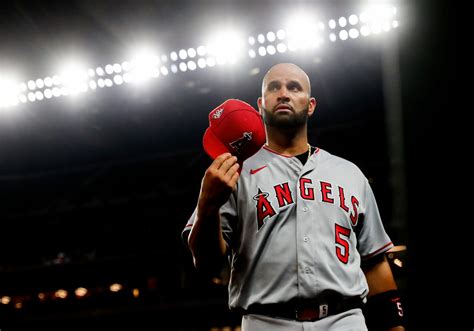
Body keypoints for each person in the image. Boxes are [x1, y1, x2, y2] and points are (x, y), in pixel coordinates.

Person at [183, 63, 405, 331]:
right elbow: (206, 264)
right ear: (261, 104)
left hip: (345, 320)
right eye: (274, 87)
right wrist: (207, 205)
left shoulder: (349, 173)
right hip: (266, 321)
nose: (284, 93)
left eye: (294, 87)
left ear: (310, 105)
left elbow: (374, 262)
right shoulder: (234, 170)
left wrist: (395, 327)